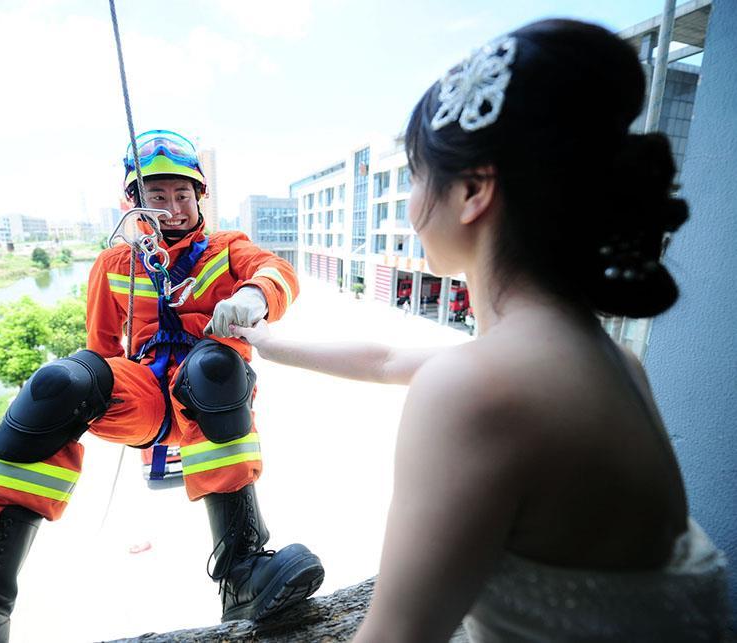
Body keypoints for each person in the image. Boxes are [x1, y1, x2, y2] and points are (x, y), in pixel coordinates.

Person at [233, 20, 729, 642]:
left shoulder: (477, 390)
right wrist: (266, 341)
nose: (411, 204)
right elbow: (387, 357)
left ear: (472, 189)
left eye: (416, 175)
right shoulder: (607, 360)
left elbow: (396, 636)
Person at [0, 130, 324, 643]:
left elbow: (275, 270)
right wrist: (86, 397)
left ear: (199, 198)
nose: (172, 208)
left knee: (214, 367)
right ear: (134, 202)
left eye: (181, 196)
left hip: (212, 393)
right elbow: (102, 350)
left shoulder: (226, 249)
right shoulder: (115, 265)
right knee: (59, 384)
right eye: (158, 197)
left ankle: (241, 570)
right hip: (147, 392)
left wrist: (257, 296)